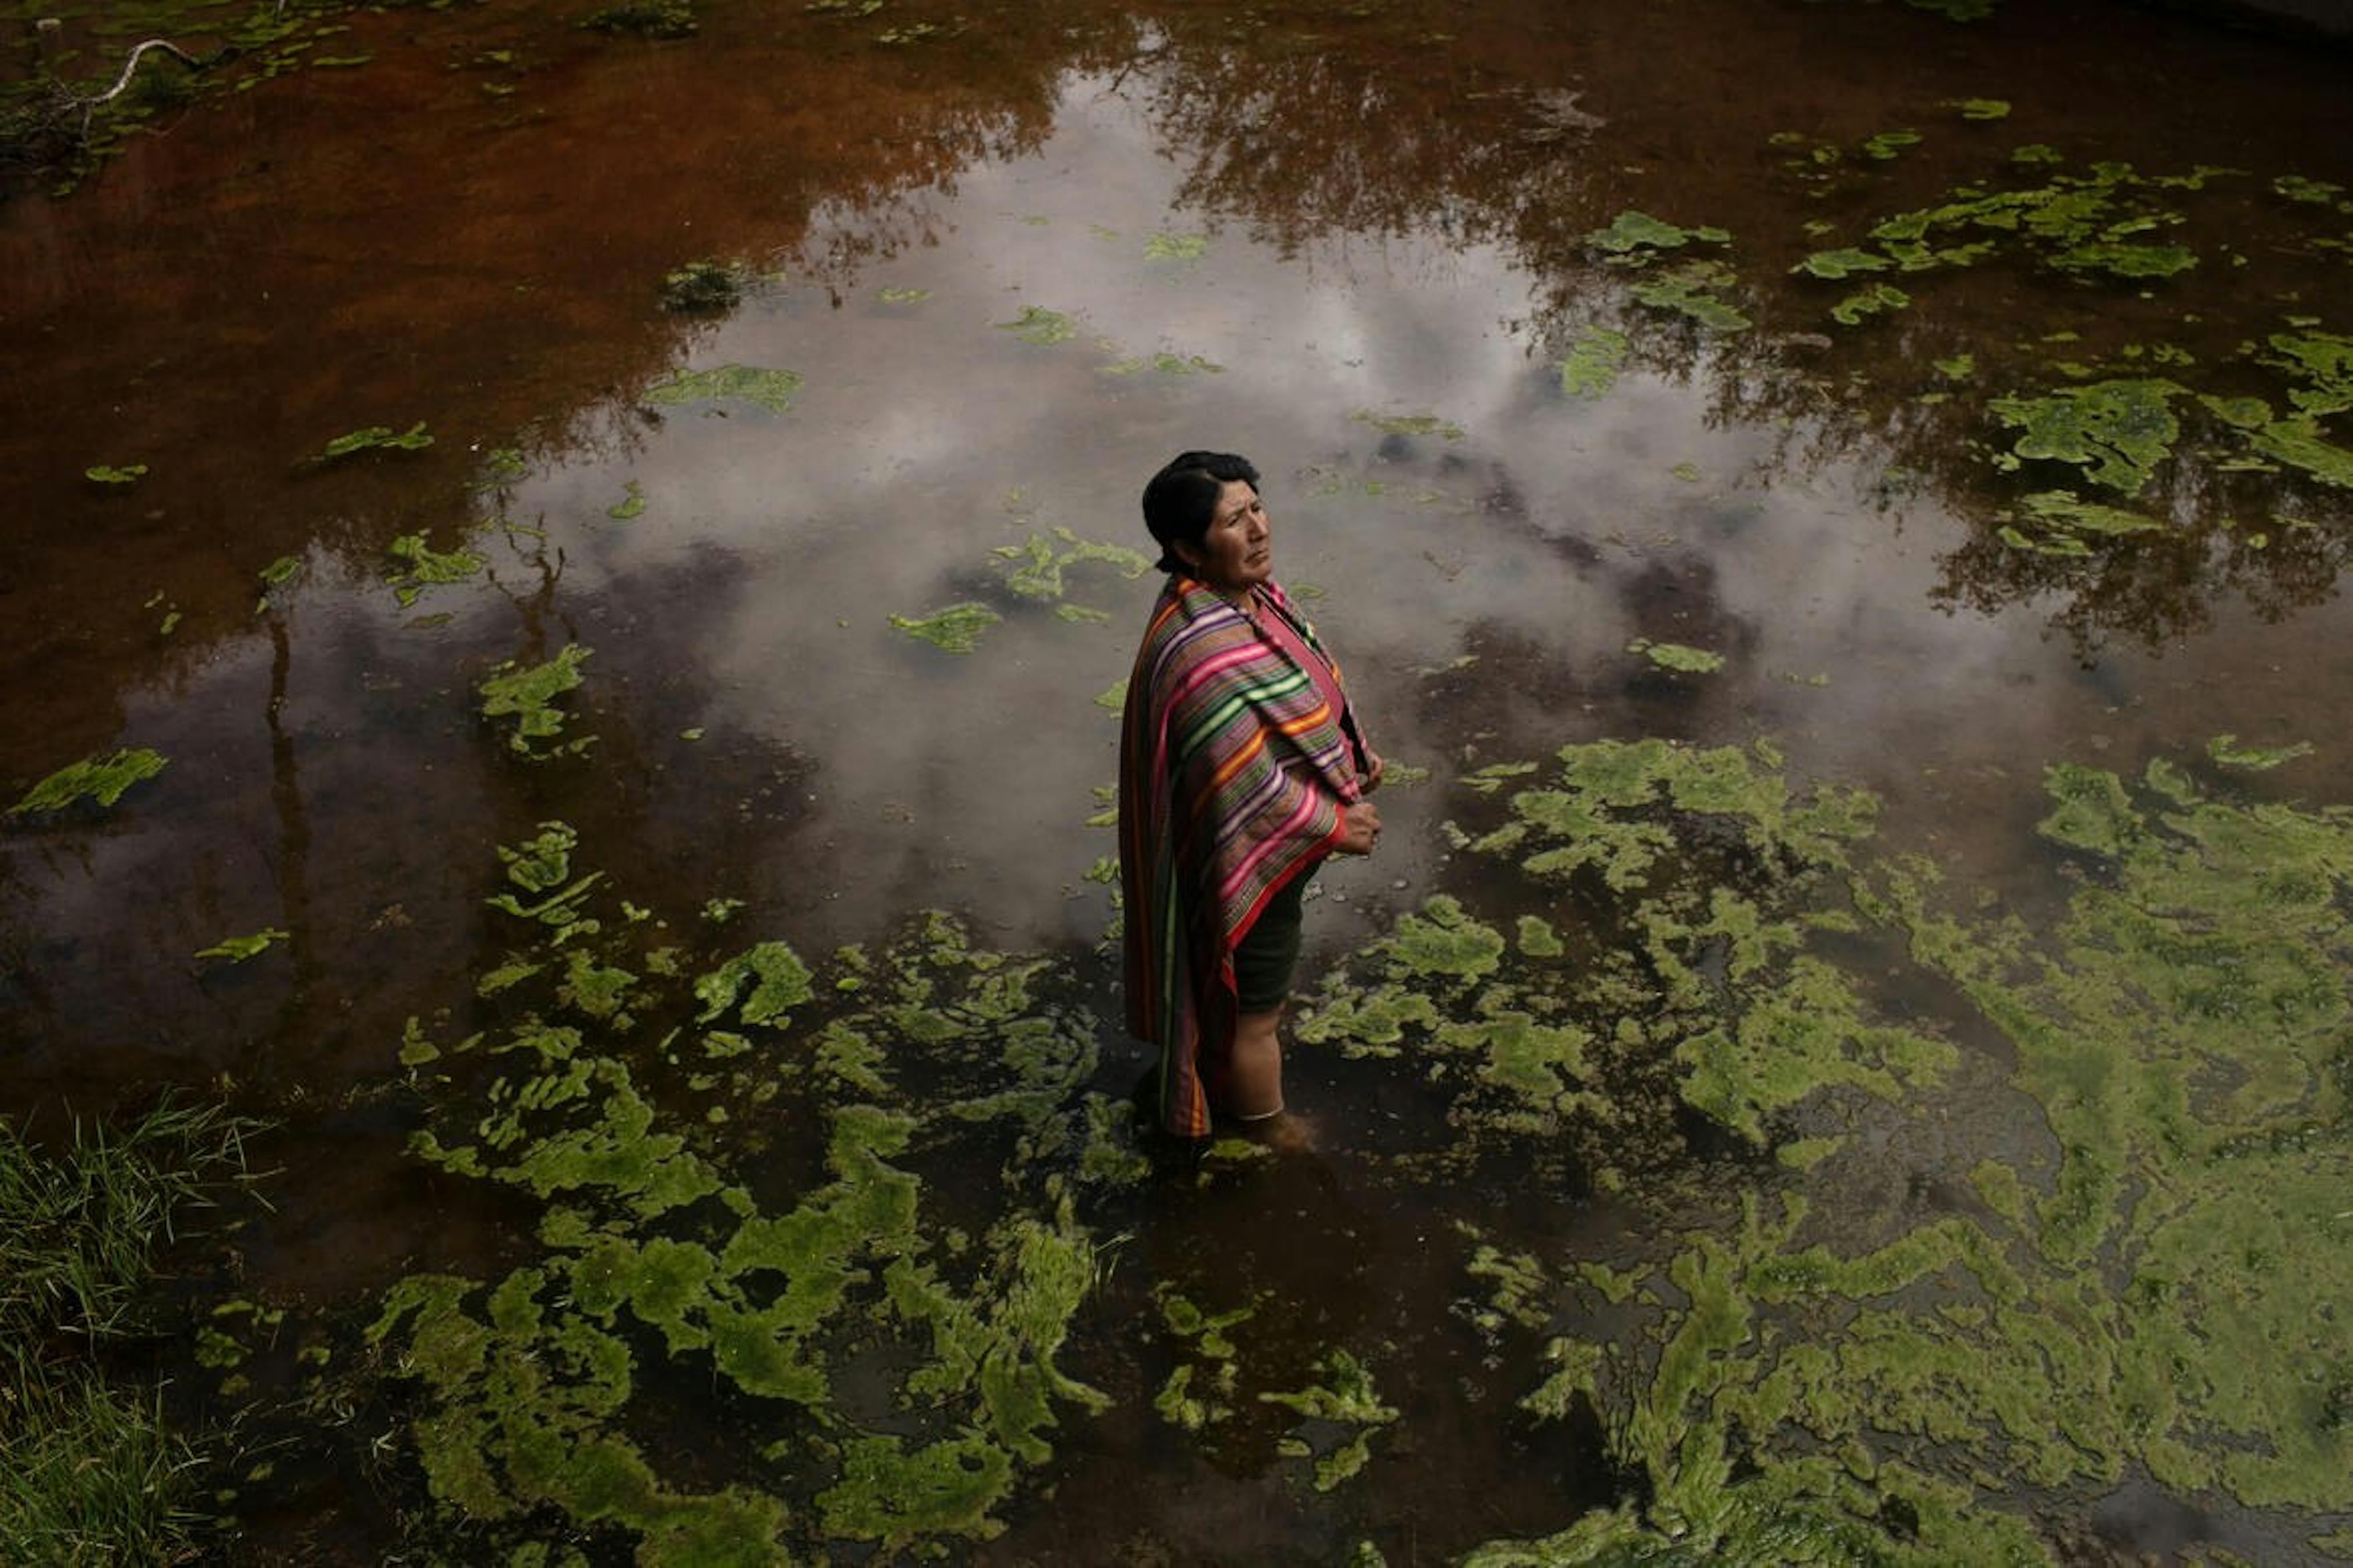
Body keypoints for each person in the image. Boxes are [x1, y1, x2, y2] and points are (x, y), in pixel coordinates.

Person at [1118, 450, 1383, 1140]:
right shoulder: (1198, 657)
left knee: (1247, 1001)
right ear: (1184, 547)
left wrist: (1349, 755)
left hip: (1278, 853)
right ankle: (1266, 1133)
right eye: (1235, 520)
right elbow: (1241, 792)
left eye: (1256, 506)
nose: (1259, 528)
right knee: (1253, 1015)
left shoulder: (1249, 596)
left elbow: (1301, 685)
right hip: (1247, 868)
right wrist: (1330, 820)